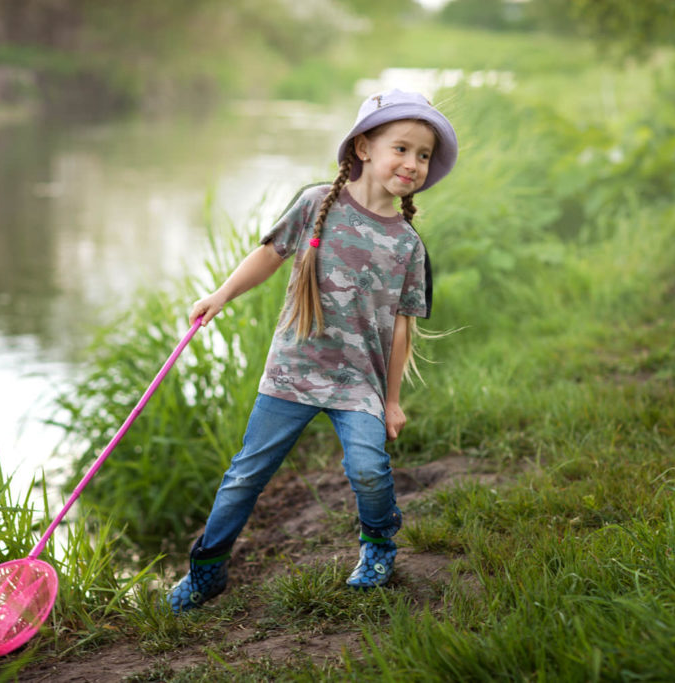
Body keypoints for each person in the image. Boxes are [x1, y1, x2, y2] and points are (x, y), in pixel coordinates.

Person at [166, 89, 458, 613]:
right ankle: (206, 569)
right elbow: (267, 256)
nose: (413, 163)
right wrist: (220, 296)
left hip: (358, 385)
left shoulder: (408, 246)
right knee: (245, 476)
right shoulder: (315, 205)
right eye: (402, 148)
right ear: (364, 147)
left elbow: (400, 332)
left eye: (423, 155)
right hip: (291, 374)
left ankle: (378, 544)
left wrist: (392, 401)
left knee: (369, 469)